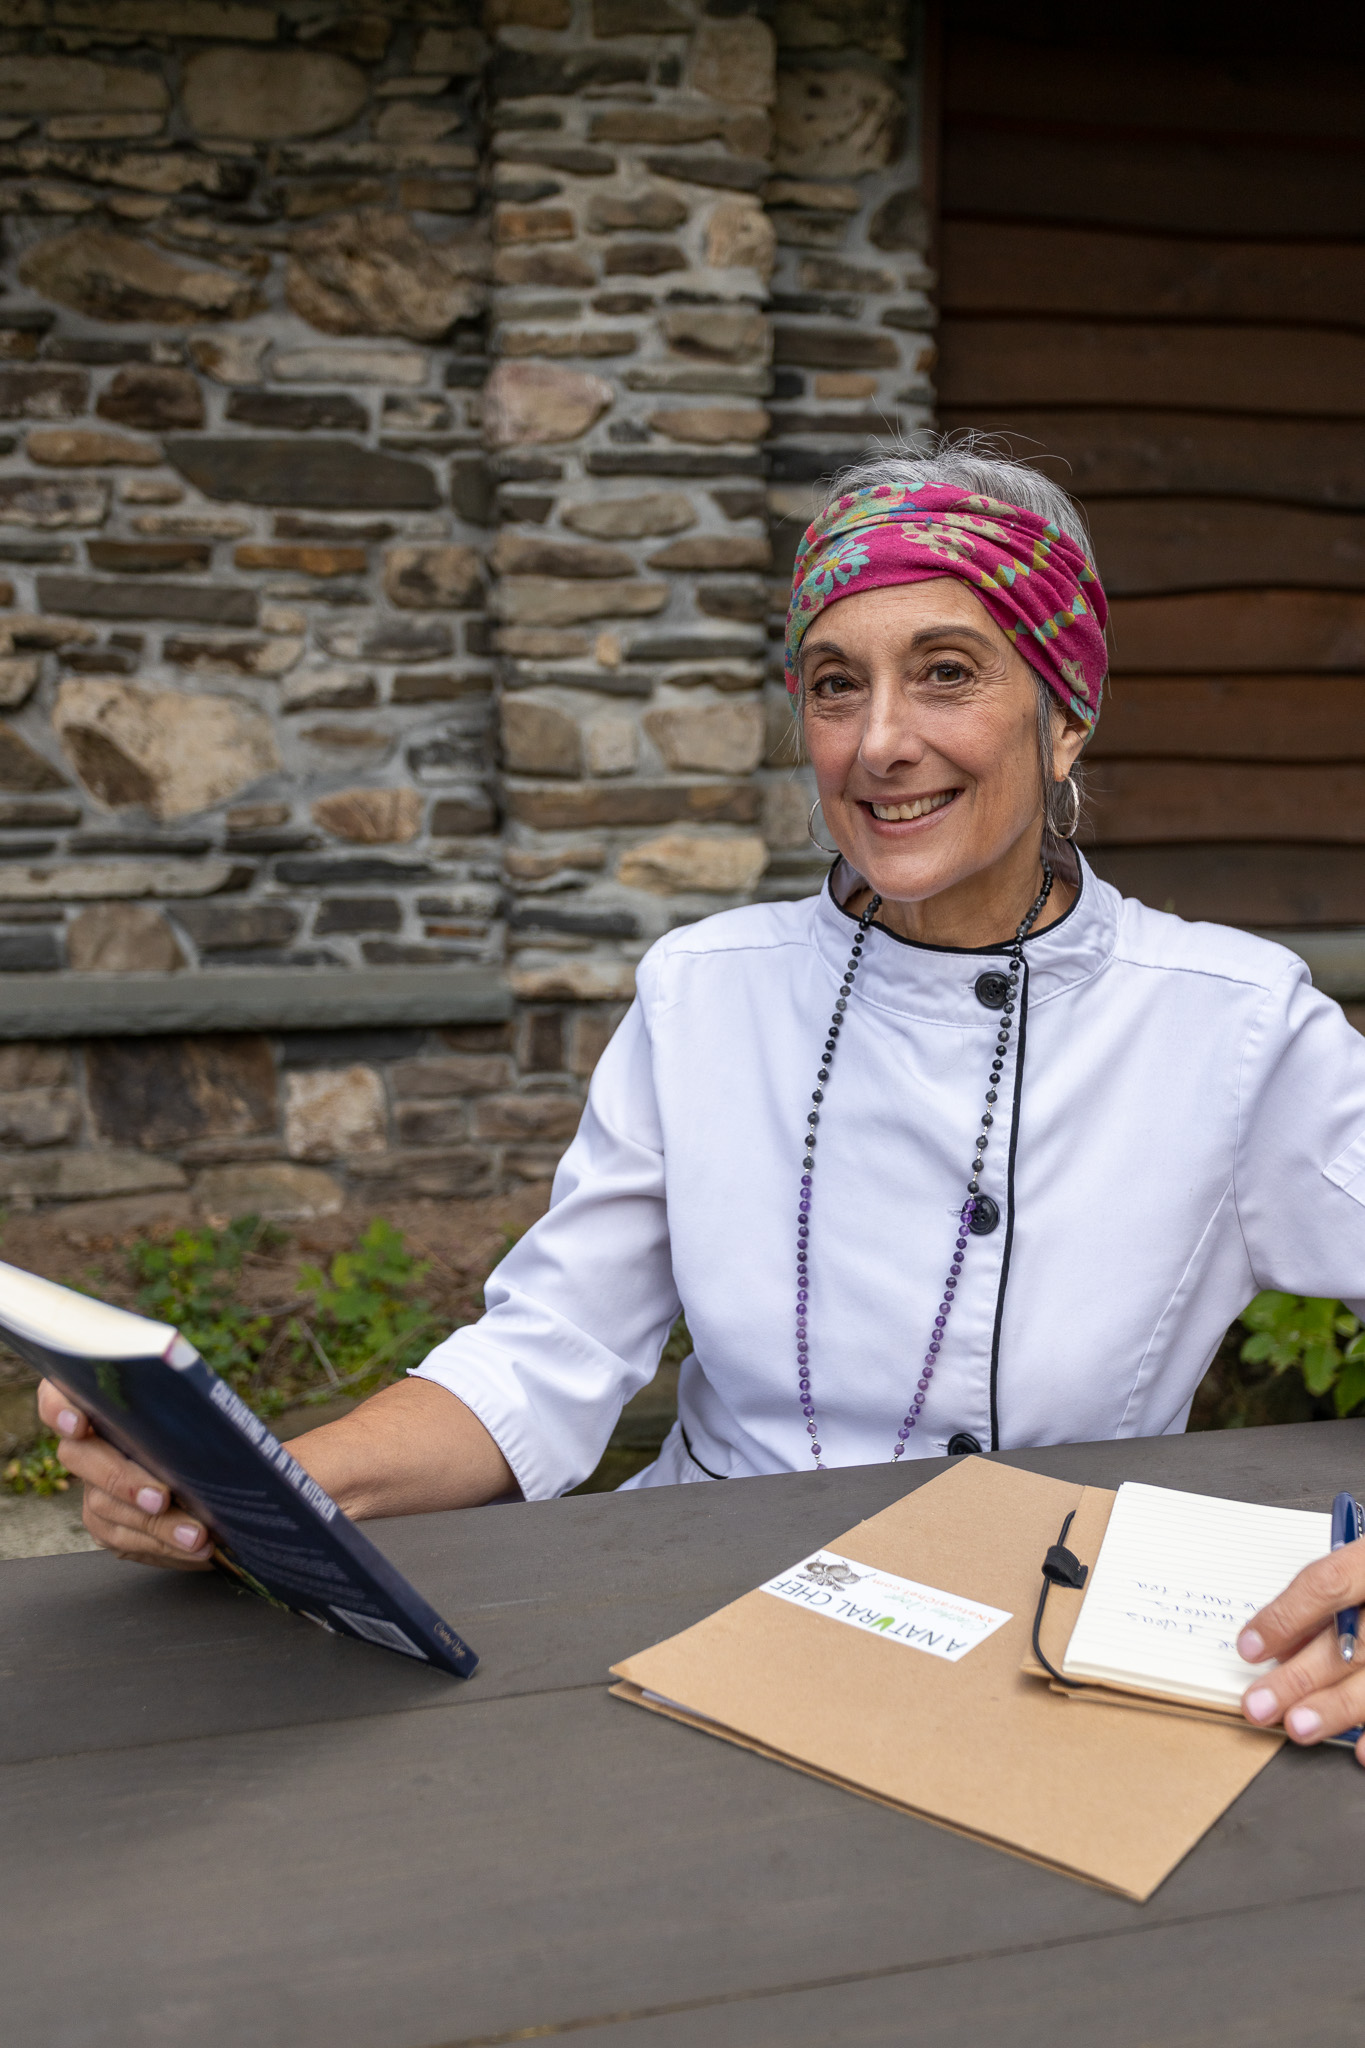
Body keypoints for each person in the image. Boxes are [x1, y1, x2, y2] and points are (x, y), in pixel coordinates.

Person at [38, 442, 1365, 1758]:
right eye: (834, 686)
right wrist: (267, 1494)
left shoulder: (1227, 1020)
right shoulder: (704, 991)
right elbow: (542, 1360)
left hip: (1055, 1673)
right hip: (706, 1623)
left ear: (1064, 712)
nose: (880, 743)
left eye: (947, 674)